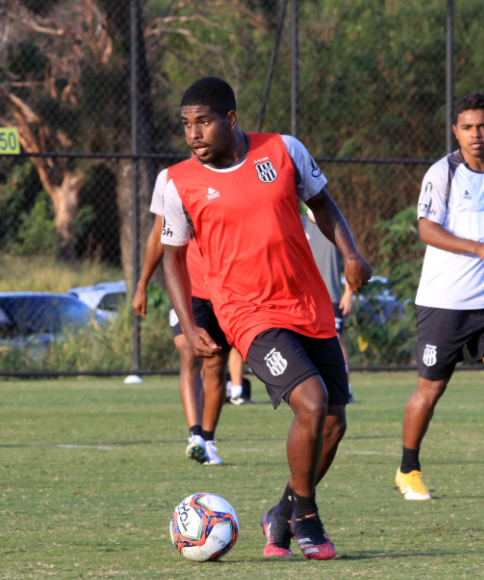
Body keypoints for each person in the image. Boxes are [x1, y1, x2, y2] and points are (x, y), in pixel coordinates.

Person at [161, 77, 372, 560]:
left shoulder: (283, 151)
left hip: (308, 304)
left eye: (204, 122)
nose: (193, 134)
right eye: (186, 124)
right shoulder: (179, 181)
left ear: (231, 120)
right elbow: (172, 259)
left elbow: (322, 204)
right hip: (246, 312)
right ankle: (307, 519)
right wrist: (189, 324)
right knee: (312, 403)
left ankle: (280, 513)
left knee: (334, 423)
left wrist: (352, 254)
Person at [396, 92, 484, 501]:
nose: (475, 134)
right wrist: (478, 248)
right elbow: (426, 229)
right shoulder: (442, 172)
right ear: (455, 131)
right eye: (467, 127)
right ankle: (408, 469)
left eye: (483, 126)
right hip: (444, 303)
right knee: (430, 390)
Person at [132, 169, 231, 466]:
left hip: (224, 289)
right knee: (187, 351)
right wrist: (142, 284)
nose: (198, 136)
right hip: (189, 288)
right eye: (190, 124)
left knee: (215, 365)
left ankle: (209, 441)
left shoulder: (234, 174)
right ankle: (195, 436)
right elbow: (157, 235)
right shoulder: (170, 178)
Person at [301, 208, 356, 402]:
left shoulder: (335, 226)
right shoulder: (299, 224)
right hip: (303, 298)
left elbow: (351, 261)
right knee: (303, 343)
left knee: (336, 339)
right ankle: (309, 391)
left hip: (330, 296)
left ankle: (344, 387)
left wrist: (348, 294)